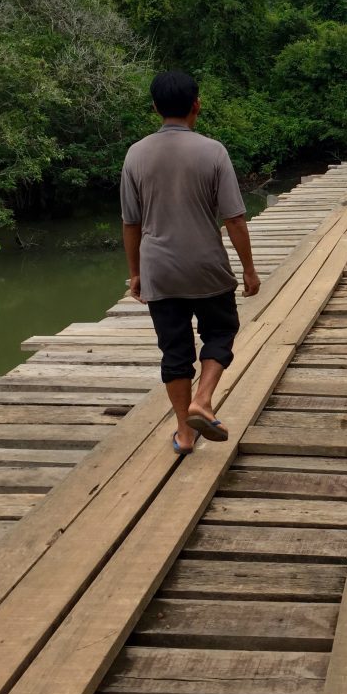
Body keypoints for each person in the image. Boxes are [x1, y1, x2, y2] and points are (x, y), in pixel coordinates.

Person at [120, 70, 260, 455]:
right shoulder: (213, 151)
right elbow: (234, 218)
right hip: (206, 268)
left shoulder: (135, 154)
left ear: (154, 108)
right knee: (221, 331)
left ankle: (184, 433)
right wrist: (248, 269)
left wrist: (135, 273)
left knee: (174, 351)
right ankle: (204, 399)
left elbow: (131, 223)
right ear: (196, 104)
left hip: (159, 270)